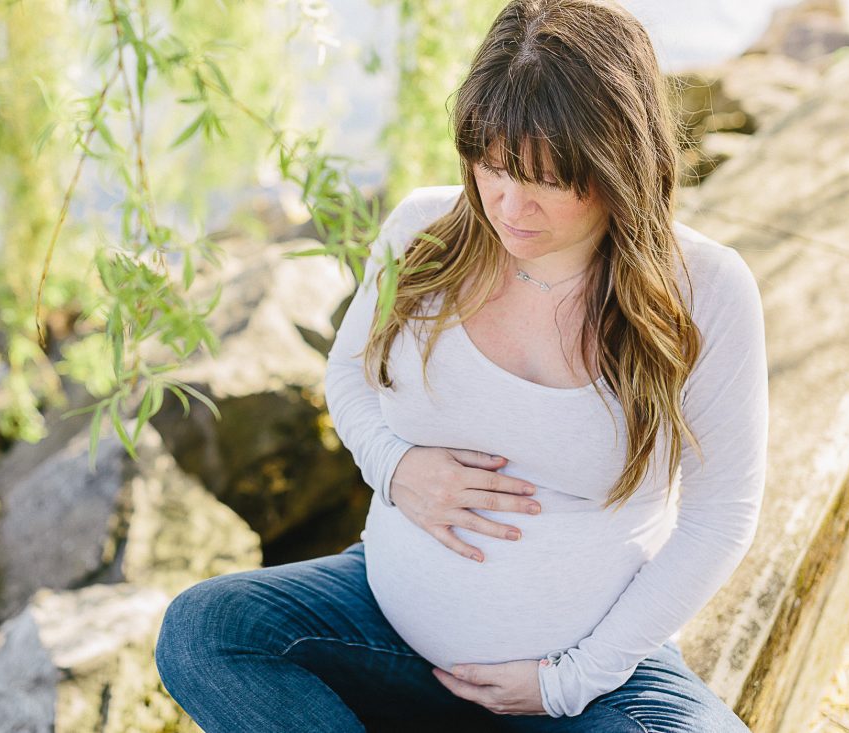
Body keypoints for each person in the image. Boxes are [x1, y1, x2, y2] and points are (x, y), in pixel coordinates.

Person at [154, 0, 768, 730]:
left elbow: (720, 517)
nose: (510, 205)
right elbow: (348, 376)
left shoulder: (704, 290)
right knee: (204, 630)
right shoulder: (424, 232)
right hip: (383, 631)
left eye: (546, 179)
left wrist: (569, 680)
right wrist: (394, 467)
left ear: (619, 162)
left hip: (585, 676)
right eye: (492, 166)